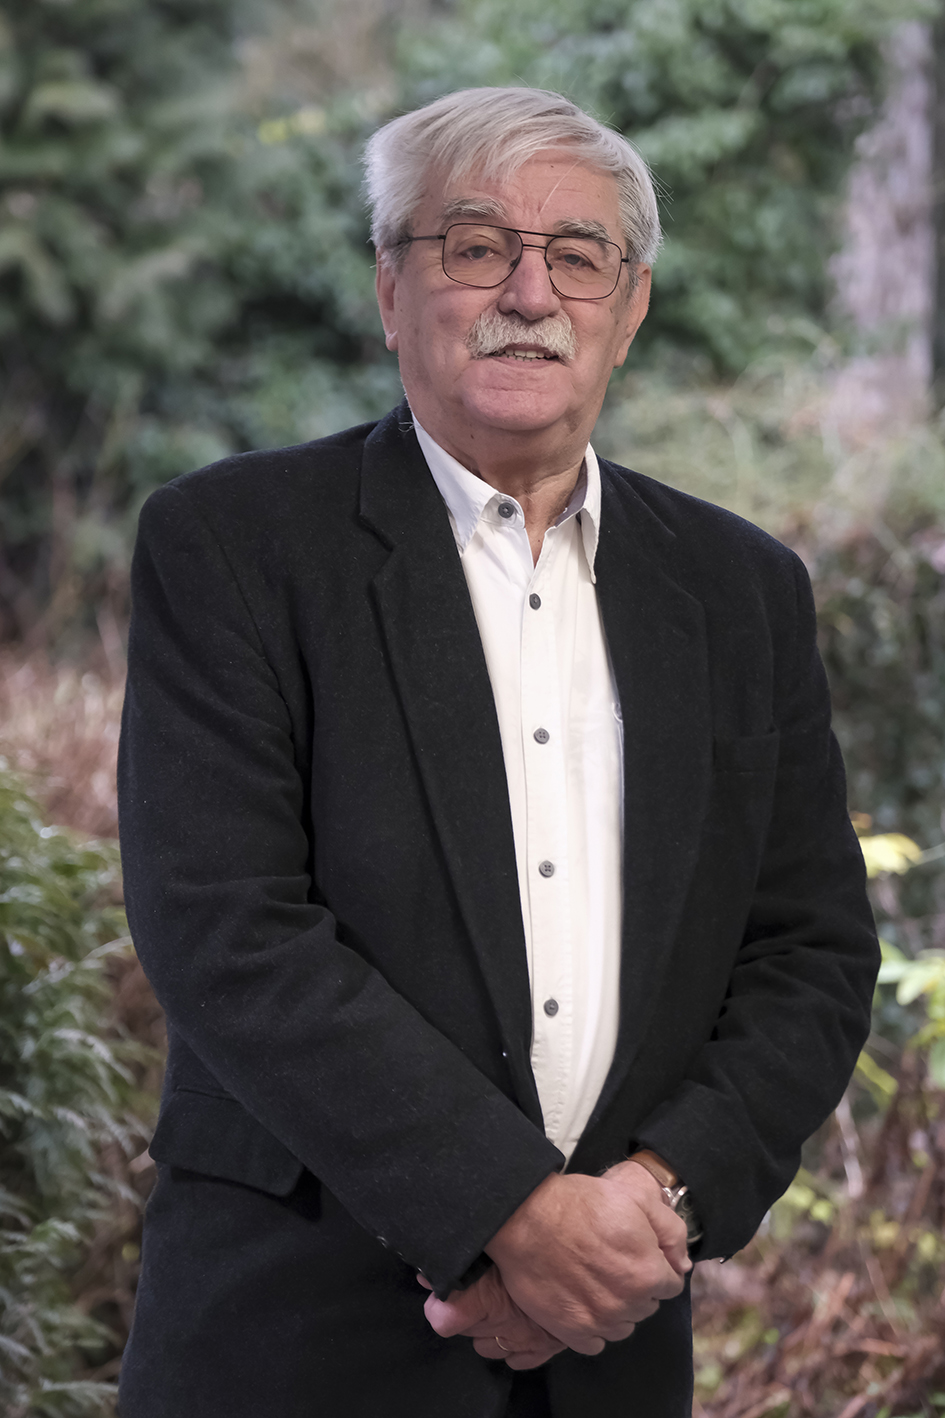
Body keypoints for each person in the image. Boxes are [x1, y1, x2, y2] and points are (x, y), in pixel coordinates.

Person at [116, 87, 879, 1418]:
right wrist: (515, 1214)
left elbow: (809, 953)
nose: (531, 293)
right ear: (390, 288)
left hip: (609, 1350)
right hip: (294, 1345)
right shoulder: (233, 545)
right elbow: (227, 929)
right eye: (475, 246)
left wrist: (655, 1198)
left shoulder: (741, 588)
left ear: (629, 309)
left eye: (578, 256)